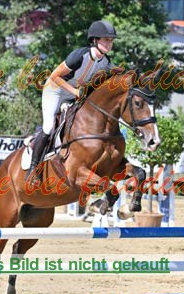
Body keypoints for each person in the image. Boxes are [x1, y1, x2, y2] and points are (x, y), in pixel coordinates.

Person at [27, 19, 118, 183]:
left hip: (74, 95)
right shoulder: (79, 56)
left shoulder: (106, 63)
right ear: (95, 40)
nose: (109, 44)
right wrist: (75, 91)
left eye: (111, 41)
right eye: (106, 40)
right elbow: (55, 76)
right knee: (48, 127)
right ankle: (33, 169)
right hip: (55, 90)